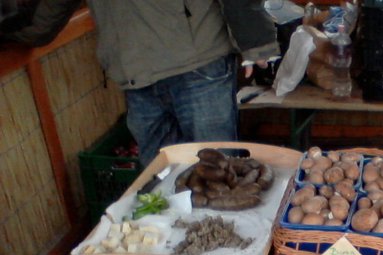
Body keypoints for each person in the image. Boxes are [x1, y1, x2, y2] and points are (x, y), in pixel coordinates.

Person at [4, 1, 280, 166]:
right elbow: (48, 11)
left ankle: (227, 246)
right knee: (160, 176)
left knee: (217, 168)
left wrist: (256, 40)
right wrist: (20, 32)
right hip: (134, 74)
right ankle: (176, 246)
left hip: (199, 62)